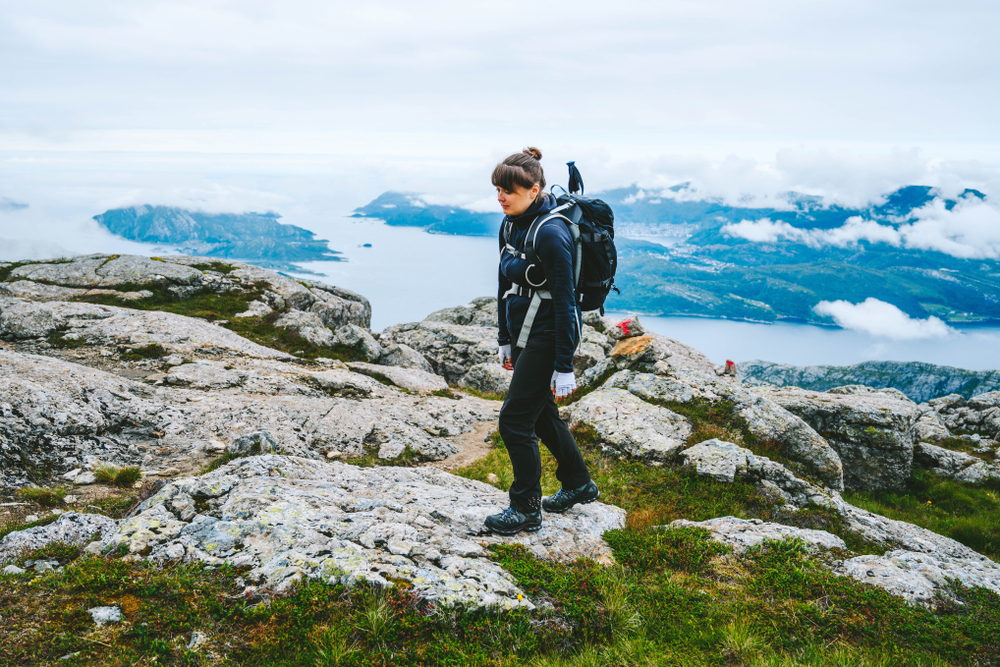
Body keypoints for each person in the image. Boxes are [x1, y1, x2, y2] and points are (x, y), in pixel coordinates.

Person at [484, 147, 600, 536]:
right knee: (542, 413)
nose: (501, 197)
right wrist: (504, 337)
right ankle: (579, 484)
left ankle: (526, 508)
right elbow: (504, 280)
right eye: (498, 189)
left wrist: (564, 364)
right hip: (524, 329)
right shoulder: (511, 223)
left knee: (515, 420)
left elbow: (567, 303)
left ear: (534, 190)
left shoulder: (550, 234)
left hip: (549, 333)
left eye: (509, 191)